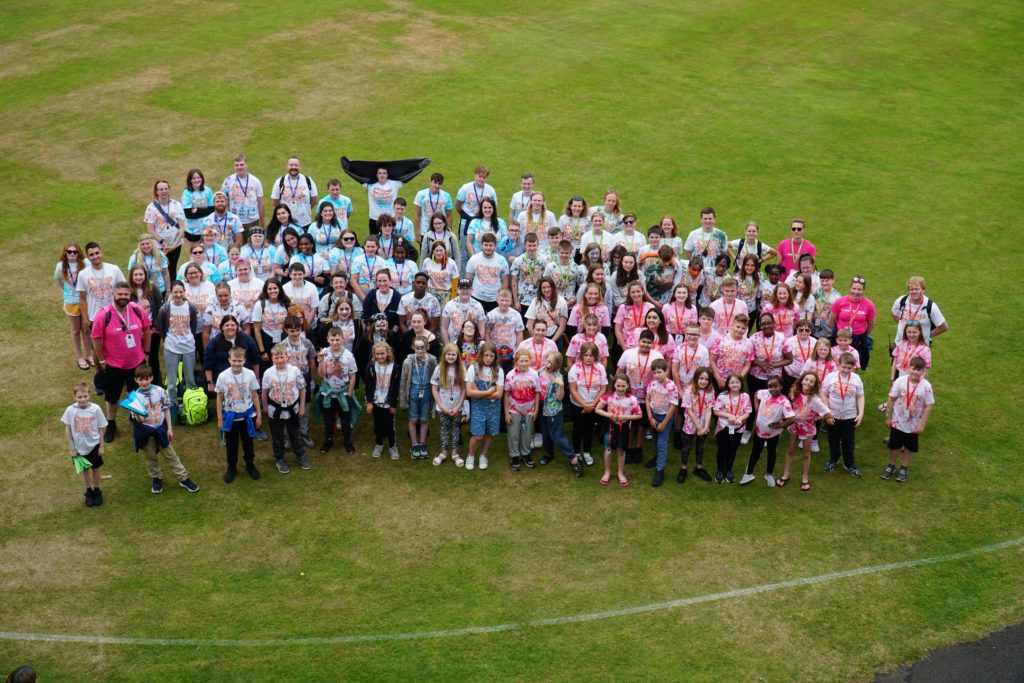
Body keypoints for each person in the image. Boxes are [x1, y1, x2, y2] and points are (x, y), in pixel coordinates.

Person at [90, 281, 152, 442]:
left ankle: (136, 420)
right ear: (113, 295)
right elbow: (96, 339)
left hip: (137, 363)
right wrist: (102, 360)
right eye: (120, 294)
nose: (123, 297)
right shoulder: (104, 315)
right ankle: (111, 423)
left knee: (136, 394)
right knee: (112, 397)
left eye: (126, 294)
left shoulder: (137, 310)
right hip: (114, 365)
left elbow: (147, 329)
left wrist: (146, 352)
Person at [131, 364, 199, 494]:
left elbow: (166, 409)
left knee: (171, 456)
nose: (144, 382)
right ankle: (156, 479)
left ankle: (183, 478)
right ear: (136, 380)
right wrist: (140, 415)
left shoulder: (159, 391)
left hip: (161, 429)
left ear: (151, 378)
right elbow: (137, 420)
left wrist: (169, 428)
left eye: (146, 378)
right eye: (141, 379)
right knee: (151, 458)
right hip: (146, 433)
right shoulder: (134, 398)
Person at [882, 357, 934, 483]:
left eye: (919, 370)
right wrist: (888, 417)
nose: (916, 372)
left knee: (909, 447)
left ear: (923, 371)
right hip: (897, 422)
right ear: (908, 368)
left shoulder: (926, 386)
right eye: (913, 369)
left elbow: (928, 406)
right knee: (894, 446)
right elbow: (891, 399)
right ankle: (891, 466)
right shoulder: (900, 381)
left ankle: (904, 468)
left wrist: (922, 425)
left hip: (913, 425)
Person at [215, 347, 262, 482]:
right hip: (230, 417)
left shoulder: (250, 374)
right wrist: (219, 419)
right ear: (229, 360)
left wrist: (258, 415)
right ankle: (231, 467)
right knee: (231, 444)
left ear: (244, 360)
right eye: (234, 360)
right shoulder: (223, 376)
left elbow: (254, 395)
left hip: (247, 415)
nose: (237, 363)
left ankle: (250, 465)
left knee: (248, 443)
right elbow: (219, 398)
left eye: (239, 360)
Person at [745, 312, 793, 444]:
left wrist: (774, 365)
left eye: (769, 323)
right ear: (760, 325)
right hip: (756, 376)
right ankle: (749, 429)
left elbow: (789, 359)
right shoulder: (754, 338)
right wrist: (760, 364)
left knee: (772, 406)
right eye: (763, 323)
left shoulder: (782, 339)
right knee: (754, 401)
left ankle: (768, 431)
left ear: (774, 324)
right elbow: (749, 358)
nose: (766, 325)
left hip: (774, 379)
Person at [740, 376, 795, 487]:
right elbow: (756, 394)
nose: (773, 389)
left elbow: (792, 418)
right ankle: (748, 473)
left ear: (781, 386)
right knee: (755, 452)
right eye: (770, 386)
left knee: (771, 452)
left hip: (773, 434)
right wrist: (756, 407)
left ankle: (769, 474)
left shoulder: (784, 401)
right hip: (759, 430)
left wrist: (781, 425)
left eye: (776, 386)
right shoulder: (764, 393)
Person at [783, 371, 833, 491]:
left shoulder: (815, 400)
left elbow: (828, 413)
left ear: (815, 385)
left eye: (812, 381)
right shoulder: (794, 393)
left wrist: (815, 418)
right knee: (790, 450)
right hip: (794, 426)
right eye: (806, 380)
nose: (808, 383)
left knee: (806, 454)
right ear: (801, 380)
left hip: (807, 429)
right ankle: (786, 474)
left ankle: (805, 477)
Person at [262, 343, 309, 474]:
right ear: (272, 359)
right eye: (276, 357)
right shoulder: (268, 373)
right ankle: (280, 458)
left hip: (292, 408)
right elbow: (265, 392)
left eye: (282, 357)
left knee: (295, 434)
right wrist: (265, 407)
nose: (280, 360)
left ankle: (300, 455)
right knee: (277, 436)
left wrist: (302, 407)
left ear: (287, 357)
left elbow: (302, 389)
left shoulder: (295, 371)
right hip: (275, 410)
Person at [618, 330, 663, 464]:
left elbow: (660, 376)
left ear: (653, 344)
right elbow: (620, 371)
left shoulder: (657, 356)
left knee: (642, 423)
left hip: (647, 397)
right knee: (630, 423)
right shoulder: (628, 354)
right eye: (643, 341)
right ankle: (629, 447)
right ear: (639, 341)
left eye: (649, 343)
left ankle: (638, 448)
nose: (645, 345)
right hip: (629, 395)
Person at [62, 382, 107, 507]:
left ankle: (97, 490)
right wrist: (72, 448)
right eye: (80, 397)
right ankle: (88, 490)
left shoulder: (96, 409)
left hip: (94, 445)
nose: (83, 399)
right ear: (74, 397)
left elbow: (101, 427)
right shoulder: (70, 410)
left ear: (89, 395)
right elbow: (68, 429)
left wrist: (102, 445)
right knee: (84, 469)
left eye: (85, 396)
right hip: (79, 448)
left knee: (96, 468)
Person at [154, 281, 198, 410]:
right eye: (175, 292)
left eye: (181, 292)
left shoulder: (191, 307)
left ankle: (190, 404)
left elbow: (193, 326)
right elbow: (161, 327)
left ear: (184, 292)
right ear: (171, 293)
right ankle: (173, 405)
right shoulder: (165, 309)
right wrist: (167, 339)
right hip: (171, 347)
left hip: (188, 347)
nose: (178, 295)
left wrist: (190, 339)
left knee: (190, 379)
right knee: (172, 382)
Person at [537, 352, 582, 476]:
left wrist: (561, 386)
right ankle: (549, 454)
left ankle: (574, 458)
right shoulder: (540, 372)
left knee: (556, 435)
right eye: (547, 360)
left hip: (553, 410)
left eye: (552, 362)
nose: (548, 364)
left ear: (557, 365)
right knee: (545, 434)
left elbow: (560, 398)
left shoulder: (558, 377)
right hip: (540, 407)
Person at [77, 242, 127, 354]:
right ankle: (101, 369)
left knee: (117, 344)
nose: (95, 257)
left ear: (101, 253)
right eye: (92, 255)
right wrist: (85, 318)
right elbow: (82, 298)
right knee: (97, 347)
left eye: (97, 253)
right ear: (87, 257)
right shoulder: (83, 274)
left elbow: (124, 289)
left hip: (114, 314)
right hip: (95, 316)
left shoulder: (114, 269)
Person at [821, 352, 864, 477]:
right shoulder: (830, 377)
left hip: (849, 416)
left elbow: (860, 396)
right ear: (838, 365)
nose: (846, 370)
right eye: (843, 367)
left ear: (853, 367)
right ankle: (833, 459)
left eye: (849, 368)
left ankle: (849, 464)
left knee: (848, 442)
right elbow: (823, 394)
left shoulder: (856, 379)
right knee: (833, 440)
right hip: (832, 416)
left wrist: (860, 414)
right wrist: (827, 413)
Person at [317, 327, 357, 454]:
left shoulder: (349, 355)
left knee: (345, 420)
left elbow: (353, 375)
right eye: (332, 339)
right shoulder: (324, 353)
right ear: (328, 339)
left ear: (343, 339)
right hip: (328, 392)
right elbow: (321, 375)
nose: (335, 342)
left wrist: (349, 394)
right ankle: (328, 440)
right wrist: (321, 361)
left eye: (337, 339)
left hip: (343, 392)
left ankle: (347, 442)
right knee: (328, 419)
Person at [596, 372, 641, 486]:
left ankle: (620, 473)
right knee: (608, 449)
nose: (621, 389)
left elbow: (639, 415)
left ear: (628, 386)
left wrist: (626, 417)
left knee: (621, 450)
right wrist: (610, 415)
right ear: (614, 385)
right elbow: (598, 409)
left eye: (623, 386)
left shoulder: (632, 399)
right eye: (618, 386)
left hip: (624, 426)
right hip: (610, 425)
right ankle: (607, 472)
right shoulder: (609, 396)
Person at [464, 342, 504, 470]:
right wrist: (488, 392)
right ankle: (470, 455)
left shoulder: (498, 370)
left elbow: (498, 394)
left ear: (495, 357)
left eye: (491, 356)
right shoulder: (473, 368)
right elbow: (469, 392)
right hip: (478, 407)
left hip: (493, 407)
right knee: (478, 435)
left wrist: (478, 393)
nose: (488, 358)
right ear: (481, 355)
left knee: (489, 433)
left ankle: (484, 454)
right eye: (486, 355)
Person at [567, 341, 606, 467]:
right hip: (578, 404)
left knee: (589, 429)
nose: (588, 358)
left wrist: (592, 405)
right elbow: (573, 390)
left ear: (595, 356)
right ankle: (577, 452)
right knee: (577, 429)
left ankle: (587, 452)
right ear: (581, 355)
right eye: (586, 355)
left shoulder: (600, 368)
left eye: (591, 355)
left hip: (593, 405)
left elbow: (603, 389)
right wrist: (584, 405)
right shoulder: (575, 368)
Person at [280, 315, 317, 448]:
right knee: (287, 408)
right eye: (292, 331)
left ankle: (303, 433)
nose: (295, 333)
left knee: (304, 408)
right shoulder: (282, 346)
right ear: (286, 330)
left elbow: (312, 361)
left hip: (304, 378)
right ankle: (287, 436)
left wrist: (312, 380)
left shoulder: (307, 343)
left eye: (297, 330)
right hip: (288, 381)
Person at [504, 348, 542, 471]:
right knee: (513, 433)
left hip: (529, 409)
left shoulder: (534, 374)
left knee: (527, 434)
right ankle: (514, 455)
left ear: (530, 361)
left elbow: (537, 392)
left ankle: (525, 454)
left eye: (527, 361)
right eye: (522, 361)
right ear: (516, 362)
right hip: (514, 408)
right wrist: (506, 413)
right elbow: (506, 394)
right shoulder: (510, 375)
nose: (524, 363)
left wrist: (536, 410)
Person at [427, 343, 464, 467]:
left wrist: (458, 406)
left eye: (453, 354)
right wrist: (442, 406)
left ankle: (454, 453)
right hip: (442, 406)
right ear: (444, 355)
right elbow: (434, 389)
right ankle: (443, 453)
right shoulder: (439, 369)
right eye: (448, 354)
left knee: (455, 429)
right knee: (444, 428)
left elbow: (464, 390)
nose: (451, 357)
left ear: (457, 356)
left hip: (457, 407)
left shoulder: (462, 369)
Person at [400, 338, 437, 461]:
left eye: (422, 347)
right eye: (417, 347)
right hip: (413, 394)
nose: (420, 350)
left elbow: (435, 379)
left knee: (424, 420)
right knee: (413, 420)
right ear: (413, 348)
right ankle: (414, 444)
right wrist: (403, 399)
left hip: (426, 393)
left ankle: (422, 443)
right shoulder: (408, 362)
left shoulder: (432, 361)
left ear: (427, 347)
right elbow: (403, 381)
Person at [829, 275, 876, 370]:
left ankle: (851, 381)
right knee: (836, 362)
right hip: (840, 337)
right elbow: (831, 320)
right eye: (854, 288)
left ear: (864, 290)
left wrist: (862, 335)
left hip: (857, 338)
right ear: (850, 288)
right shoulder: (840, 301)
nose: (856, 292)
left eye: (859, 289)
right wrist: (839, 332)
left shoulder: (869, 305)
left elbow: (871, 325)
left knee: (854, 364)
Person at [56, 242, 91, 369]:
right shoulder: (61, 266)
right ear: (65, 253)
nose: (72, 254)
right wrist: (67, 292)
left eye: (74, 252)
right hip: (71, 301)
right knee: (76, 330)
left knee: (86, 329)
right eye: (69, 251)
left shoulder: (85, 263)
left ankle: (89, 355)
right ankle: (79, 357)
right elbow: (59, 281)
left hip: (84, 299)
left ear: (78, 252)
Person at [455, 166, 497, 270]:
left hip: (482, 222)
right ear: (475, 175)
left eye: (484, 177)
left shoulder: (490, 190)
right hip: (467, 221)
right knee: (464, 251)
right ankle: (463, 277)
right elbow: (458, 204)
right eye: (479, 176)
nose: (481, 179)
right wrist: (466, 216)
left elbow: (493, 206)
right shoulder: (465, 188)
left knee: (481, 246)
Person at [677, 366, 715, 483]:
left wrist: (706, 426)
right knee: (686, 447)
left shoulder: (710, 391)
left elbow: (709, 410)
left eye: (706, 379)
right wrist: (698, 426)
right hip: (691, 424)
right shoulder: (689, 391)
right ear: (696, 378)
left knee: (700, 447)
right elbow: (689, 410)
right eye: (701, 378)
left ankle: (699, 468)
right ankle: (683, 468)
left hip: (704, 425)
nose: (703, 381)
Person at [645, 358, 679, 486]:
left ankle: (660, 470)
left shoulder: (671, 387)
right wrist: (650, 417)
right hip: (653, 416)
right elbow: (648, 400)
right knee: (655, 440)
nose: (656, 375)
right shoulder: (652, 384)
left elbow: (673, 406)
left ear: (666, 371)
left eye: (659, 372)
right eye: (654, 373)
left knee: (662, 443)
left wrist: (664, 423)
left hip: (665, 417)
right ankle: (656, 458)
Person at [713, 373, 752, 484]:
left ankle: (729, 470)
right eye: (732, 382)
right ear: (728, 384)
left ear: (741, 384)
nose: (735, 384)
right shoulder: (722, 396)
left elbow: (748, 412)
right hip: (724, 427)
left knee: (733, 449)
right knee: (721, 449)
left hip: (738, 428)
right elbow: (716, 411)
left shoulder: (745, 396)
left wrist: (741, 418)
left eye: (737, 382)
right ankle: (720, 470)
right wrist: (729, 416)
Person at [365, 341, 401, 459]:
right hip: (375, 402)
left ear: (388, 353)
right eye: (377, 354)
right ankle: (379, 444)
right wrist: (369, 402)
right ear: (374, 354)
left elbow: (395, 387)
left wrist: (393, 404)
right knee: (378, 425)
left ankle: (392, 446)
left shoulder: (395, 367)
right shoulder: (371, 366)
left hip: (388, 402)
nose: (380, 356)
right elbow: (368, 386)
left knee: (390, 426)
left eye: (382, 354)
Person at [144, 179, 187, 276]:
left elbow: (181, 227)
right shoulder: (151, 207)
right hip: (159, 245)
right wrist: (163, 242)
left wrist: (174, 245)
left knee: (172, 268)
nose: (164, 191)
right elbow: (150, 229)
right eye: (161, 189)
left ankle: (172, 289)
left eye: (166, 189)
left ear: (169, 190)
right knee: (161, 269)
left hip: (176, 243)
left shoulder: (176, 205)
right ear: (157, 191)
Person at [891, 275, 949, 345]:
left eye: (917, 289)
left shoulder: (930, 307)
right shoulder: (901, 301)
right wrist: (902, 326)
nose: (914, 291)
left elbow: (944, 327)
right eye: (912, 289)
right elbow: (894, 313)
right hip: (900, 344)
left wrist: (926, 335)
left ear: (923, 290)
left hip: (919, 349)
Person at [465, 232, 510, 312]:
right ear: (481, 245)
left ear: (495, 246)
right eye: (486, 245)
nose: (488, 248)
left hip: (494, 299)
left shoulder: (502, 260)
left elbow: (505, 282)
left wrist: (501, 298)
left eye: (490, 245)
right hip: (476, 297)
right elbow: (468, 280)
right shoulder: (474, 259)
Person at [221, 154, 265, 234]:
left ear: (246, 165)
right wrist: (225, 219)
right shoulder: (228, 181)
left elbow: (261, 203)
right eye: (237, 165)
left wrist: (262, 223)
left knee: (253, 244)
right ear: (234, 166)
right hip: (234, 220)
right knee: (236, 245)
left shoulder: (255, 181)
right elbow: (223, 201)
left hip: (252, 221)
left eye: (242, 164)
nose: (239, 167)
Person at [271, 157, 318, 229]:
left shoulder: (308, 180)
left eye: (296, 165)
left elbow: (314, 199)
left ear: (300, 167)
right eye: (291, 165)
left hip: (305, 223)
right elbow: (275, 202)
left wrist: (305, 209)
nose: (294, 167)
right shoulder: (280, 181)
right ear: (287, 167)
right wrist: (283, 213)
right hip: (286, 224)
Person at [485, 288, 525, 370]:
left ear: (511, 301)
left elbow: (519, 334)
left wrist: (518, 351)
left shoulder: (516, 315)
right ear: (497, 300)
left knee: (509, 373)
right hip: (495, 351)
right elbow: (487, 334)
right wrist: (490, 349)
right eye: (502, 300)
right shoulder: (491, 315)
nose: (504, 303)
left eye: (506, 301)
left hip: (511, 352)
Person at [510, 233, 547, 313]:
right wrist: (516, 301)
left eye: (534, 245)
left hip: (539, 299)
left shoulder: (543, 260)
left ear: (538, 245)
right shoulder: (518, 260)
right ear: (525, 245)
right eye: (529, 245)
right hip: (522, 299)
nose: (532, 248)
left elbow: (546, 280)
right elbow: (514, 282)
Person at [684, 206, 728, 271]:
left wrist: (720, 268)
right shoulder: (693, 234)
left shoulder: (721, 235)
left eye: (710, 218)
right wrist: (694, 265)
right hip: (698, 271)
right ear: (701, 219)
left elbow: (724, 253)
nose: (707, 221)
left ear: (714, 219)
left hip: (714, 271)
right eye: (705, 218)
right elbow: (688, 252)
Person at [363, 166, 403, 234]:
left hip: (390, 218)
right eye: (380, 173)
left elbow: (408, 176)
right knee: (374, 241)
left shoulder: (395, 184)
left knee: (390, 240)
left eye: (384, 173)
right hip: (374, 218)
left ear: (387, 175)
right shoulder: (369, 184)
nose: (382, 175)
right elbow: (357, 177)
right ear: (376, 175)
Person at [413, 172, 454, 238]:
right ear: (430, 182)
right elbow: (417, 215)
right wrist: (417, 234)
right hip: (425, 231)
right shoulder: (421, 195)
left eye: (439, 184)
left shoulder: (446, 196)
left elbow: (449, 216)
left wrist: (449, 232)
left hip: (441, 231)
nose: (437, 185)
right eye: (435, 183)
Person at [282, 263, 319, 328]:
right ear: (290, 275)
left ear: (304, 274)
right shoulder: (284, 288)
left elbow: (314, 309)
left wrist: (306, 325)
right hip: (291, 325)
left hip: (309, 324)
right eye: (294, 274)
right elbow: (283, 309)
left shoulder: (312, 287)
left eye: (300, 274)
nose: (297, 277)